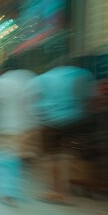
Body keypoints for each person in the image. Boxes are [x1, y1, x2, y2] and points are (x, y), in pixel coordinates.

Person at [29, 57, 96, 205]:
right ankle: (66, 193)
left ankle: (54, 191)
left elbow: (35, 100)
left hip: (50, 121)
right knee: (66, 156)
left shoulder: (44, 77)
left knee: (51, 157)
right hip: (75, 121)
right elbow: (90, 99)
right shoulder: (83, 74)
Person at [0, 57, 38, 207]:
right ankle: (14, 191)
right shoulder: (29, 77)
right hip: (26, 126)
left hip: (4, 126)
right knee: (16, 160)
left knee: (2, 160)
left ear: (3, 70)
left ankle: (7, 192)